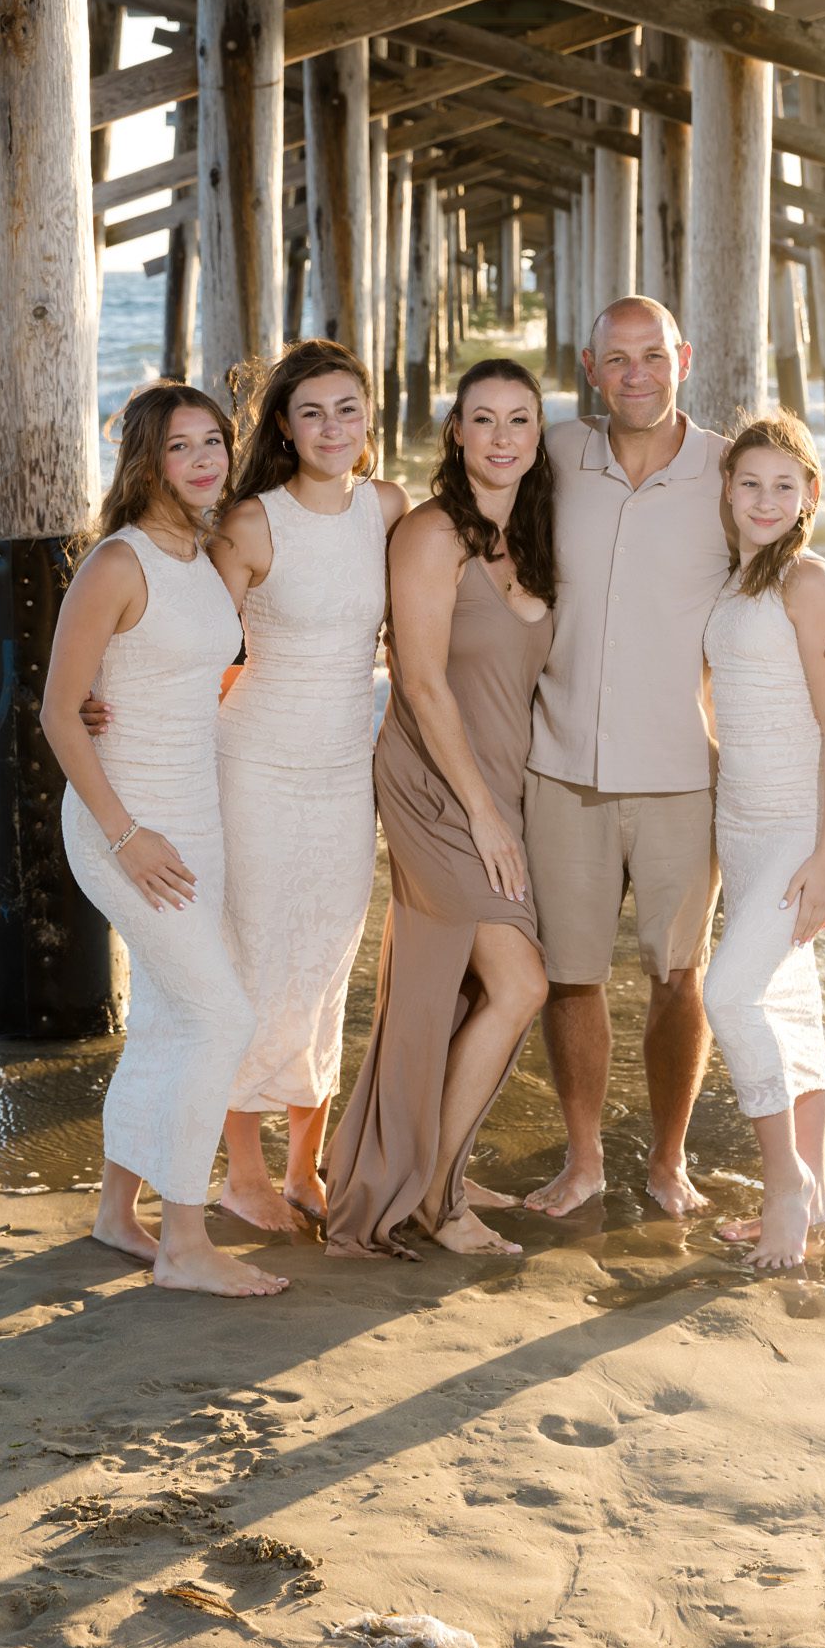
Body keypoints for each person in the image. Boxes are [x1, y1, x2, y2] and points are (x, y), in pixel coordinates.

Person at [521, 297, 825, 1221]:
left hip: (686, 775)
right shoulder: (554, 456)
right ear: (590, 367)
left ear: (682, 356)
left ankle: (670, 1160)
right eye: (616, 358)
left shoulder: (726, 469)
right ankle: (585, 1158)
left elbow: (788, 563)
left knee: (682, 977)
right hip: (560, 761)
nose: (636, 373)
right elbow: (472, 520)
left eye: (653, 355)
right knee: (570, 976)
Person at [40, 380, 287, 1300]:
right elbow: (60, 715)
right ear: (147, 459)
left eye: (214, 443)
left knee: (166, 1017)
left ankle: (117, 1211)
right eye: (181, 447)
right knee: (218, 1015)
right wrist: (128, 834)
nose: (204, 461)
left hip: (195, 815)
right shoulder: (119, 561)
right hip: (124, 824)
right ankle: (185, 1242)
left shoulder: (200, 552)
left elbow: (177, 678)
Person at [325, 360, 555, 1260]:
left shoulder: (530, 539)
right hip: (436, 787)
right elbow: (419, 682)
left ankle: (433, 1164)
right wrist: (485, 817)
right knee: (518, 983)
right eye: (483, 420)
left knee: (465, 990)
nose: (502, 438)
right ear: (453, 432)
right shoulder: (429, 535)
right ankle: (433, 1200)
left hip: (505, 784)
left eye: (520, 421)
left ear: (539, 438)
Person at [212, 340, 409, 1233]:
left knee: (328, 958)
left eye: (347, 409)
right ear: (284, 429)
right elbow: (193, 647)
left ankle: (303, 1167)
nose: (333, 427)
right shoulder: (252, 522)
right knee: (255, 958)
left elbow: (426, 639)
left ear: (370, 416)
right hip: (253, 762)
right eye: (311, 413)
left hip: (343, 767)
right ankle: (241, 1171)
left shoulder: (390, 509)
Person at [703, 414, 825, 1268]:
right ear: (726, 490)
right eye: (748, 483)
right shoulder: (732, 582)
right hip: (744, 814)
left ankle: (785, 1184)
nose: (764, 500)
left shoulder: (806, 582)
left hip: (808, 818)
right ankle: (819, 1200)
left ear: (810, 495)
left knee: (727, 995)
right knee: (786, 1001)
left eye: (783, 485)